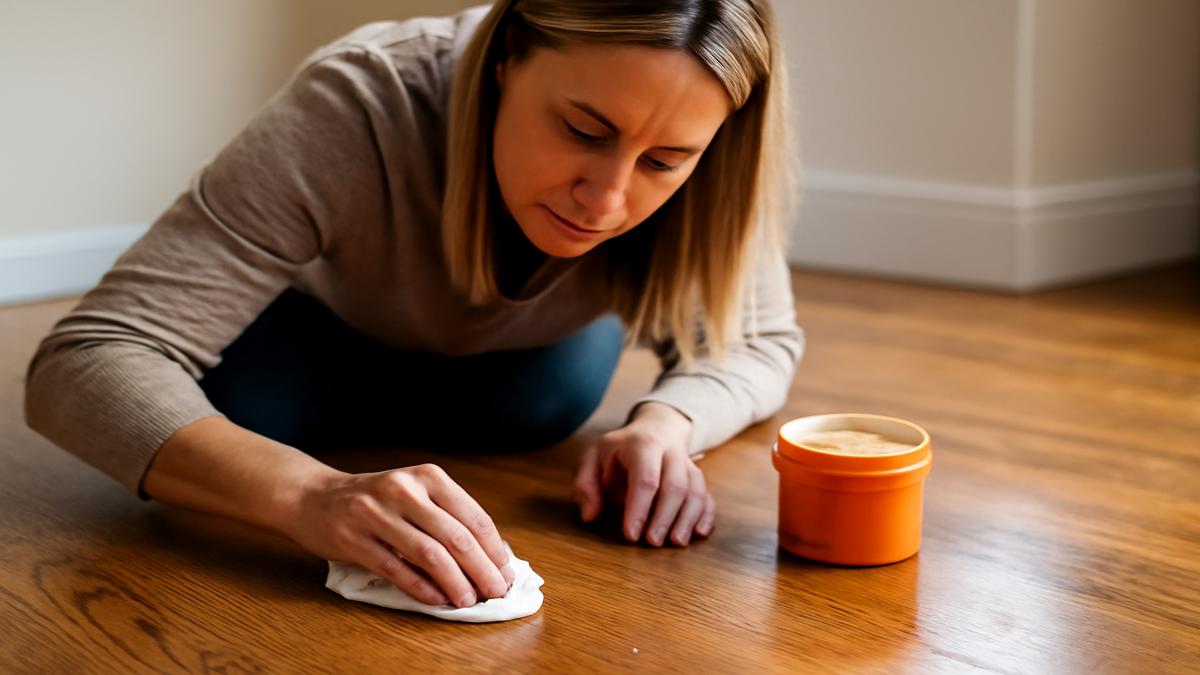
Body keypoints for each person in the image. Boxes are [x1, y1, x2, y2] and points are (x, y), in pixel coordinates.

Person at [24, 0, 803, 610]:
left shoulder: (720, 153)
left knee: (544, 398)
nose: (606, 199)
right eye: (581, 129)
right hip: (307, 338)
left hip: (521, 380)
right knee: (240, 404)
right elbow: (85, 358)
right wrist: (306, 491)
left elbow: (758, 340)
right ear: (505, 58)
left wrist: (670, 422)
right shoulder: (361, 100)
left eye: (664, 162)